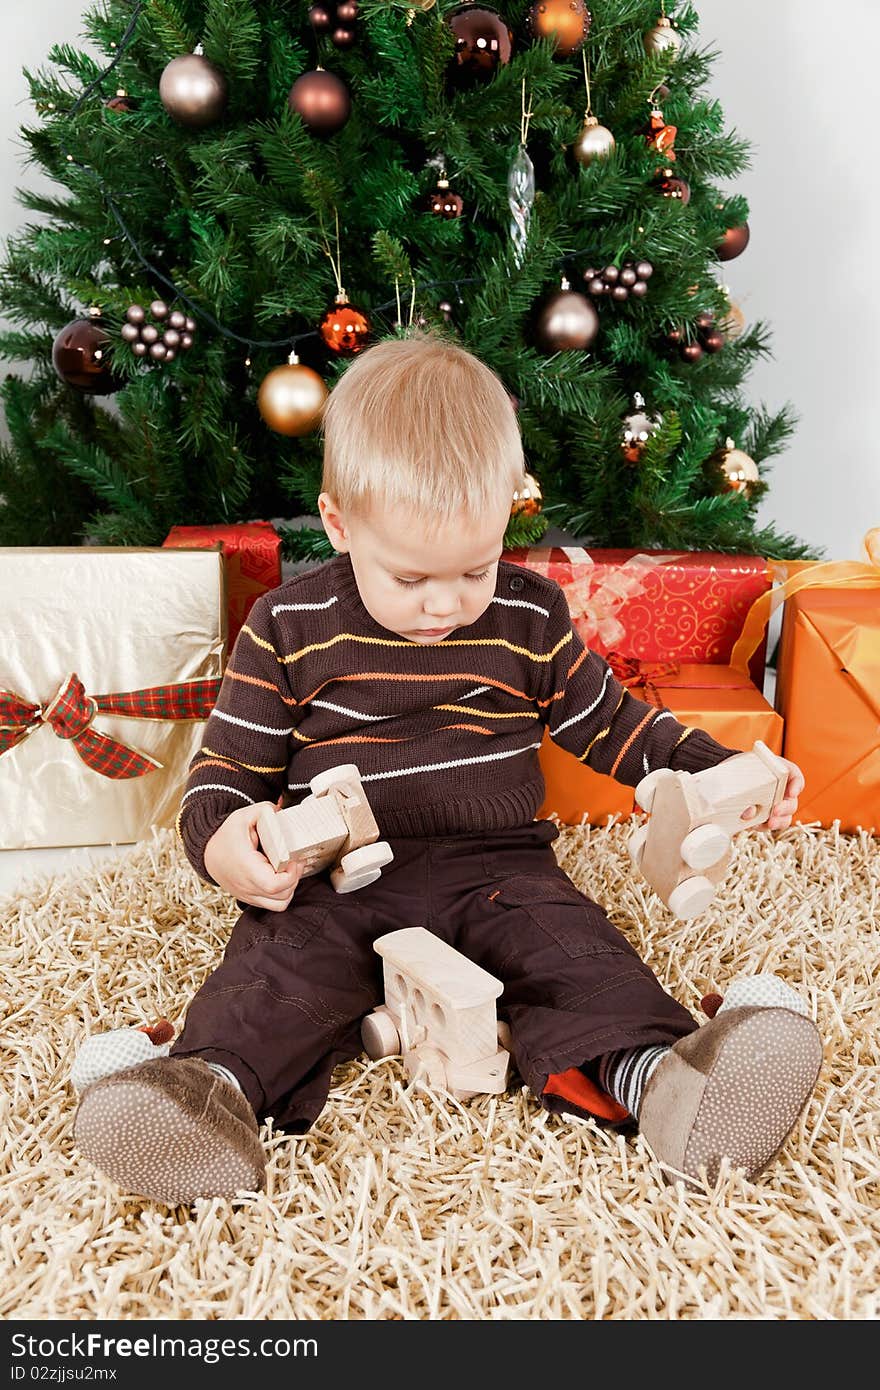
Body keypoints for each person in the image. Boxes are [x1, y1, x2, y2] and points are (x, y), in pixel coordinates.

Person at [73, 332, 821, 1203]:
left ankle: (666, 1081)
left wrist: (722, 770)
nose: (445, 604)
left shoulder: (526, 611)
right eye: (411, 576)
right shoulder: (286, 625)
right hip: (337, 882)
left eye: (473, 567)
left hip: (500, 867)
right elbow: (224, 779)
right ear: (340, 523)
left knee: (582, 959)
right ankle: (207, 1098)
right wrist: (228, 846)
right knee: (275, 980)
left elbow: (613, 724)